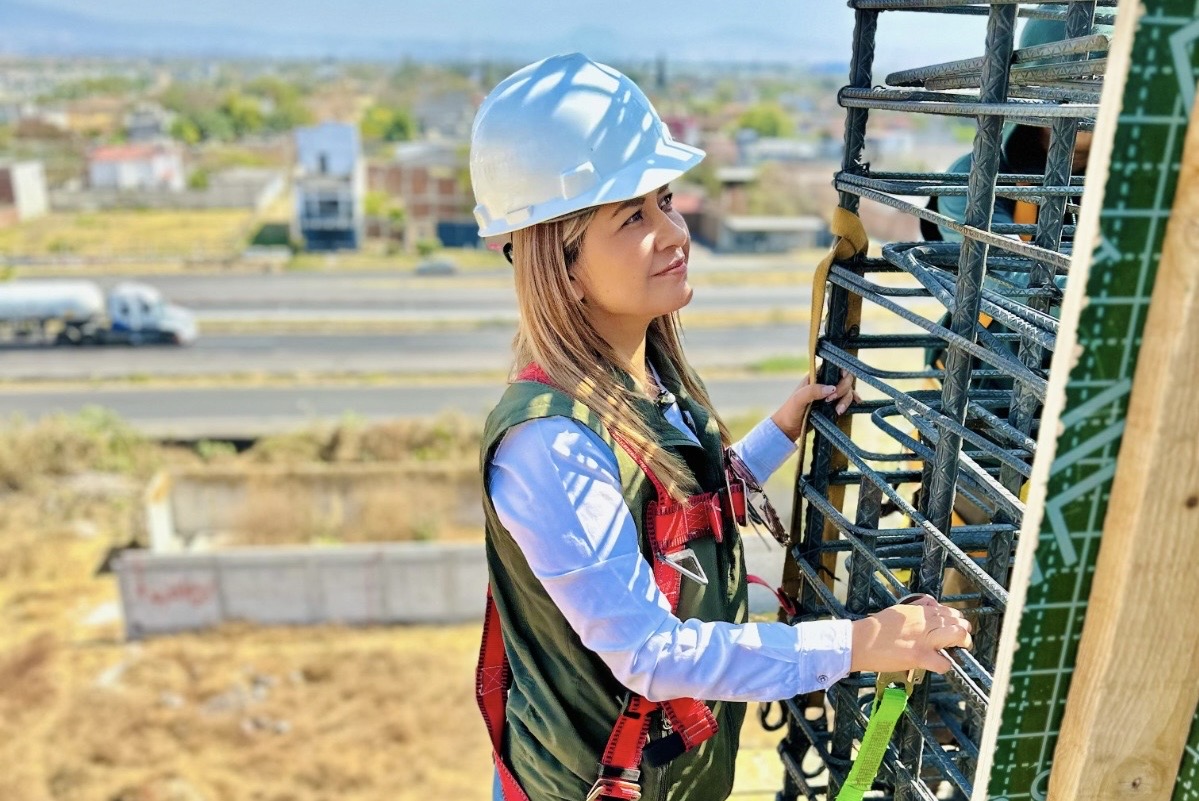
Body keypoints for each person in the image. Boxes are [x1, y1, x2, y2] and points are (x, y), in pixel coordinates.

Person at [471, 53, 973, 801]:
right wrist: (860, 642)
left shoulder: (637, 382)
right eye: (631, 217)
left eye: (666, 201)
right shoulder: (551, 444)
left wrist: (773, 433)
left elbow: (664, 515)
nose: (673, 231)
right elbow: (649, 649)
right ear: (561, 263)